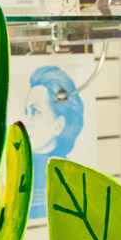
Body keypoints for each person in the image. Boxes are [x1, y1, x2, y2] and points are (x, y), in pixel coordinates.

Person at [24, 65, 84, 219]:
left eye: (35, 112)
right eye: (26, 112)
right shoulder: (22, 169)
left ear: (59, 125)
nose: (26, 121)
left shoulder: (69, 179)